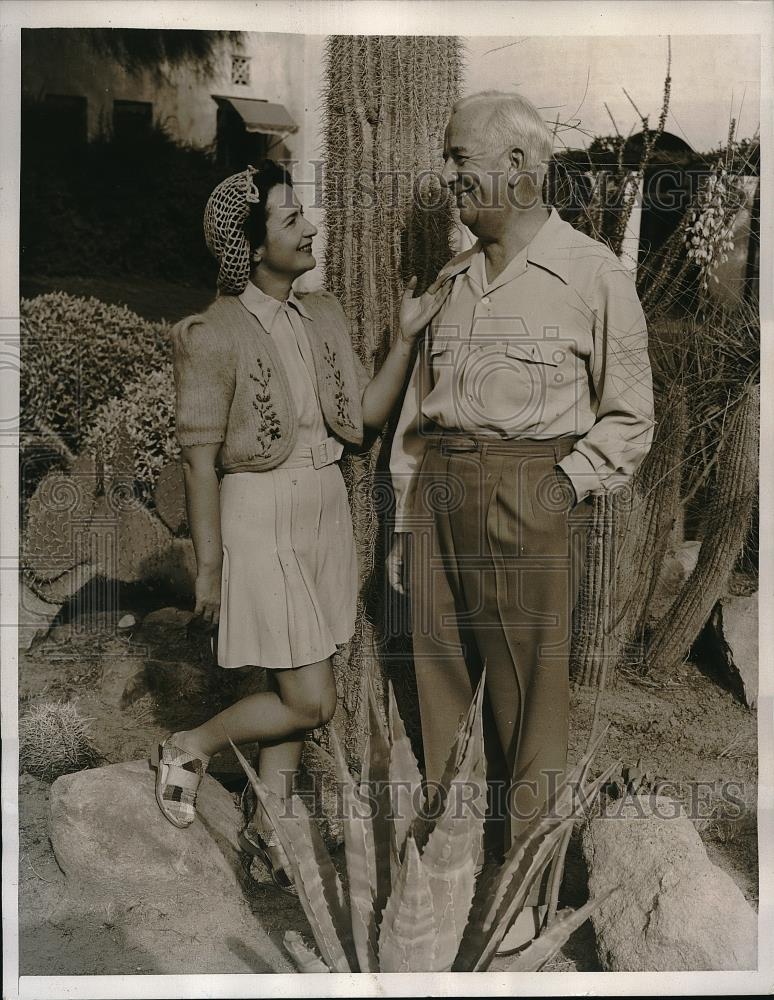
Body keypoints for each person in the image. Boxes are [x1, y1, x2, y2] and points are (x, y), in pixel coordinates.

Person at [388, 91, 654, 950]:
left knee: (528, 700)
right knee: (437, 681)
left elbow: (629, 414)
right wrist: (402, 518)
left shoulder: (593, 274)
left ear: (519, 168)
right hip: (438, 494)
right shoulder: (454, 281)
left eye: (461, 157)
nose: (450, 173)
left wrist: (560, 488)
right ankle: (449, 880)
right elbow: (416, 420)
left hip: (528, 489)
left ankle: (524, 900)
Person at [151, 160, 450, 893]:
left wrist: (406, 338)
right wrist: (211, 566)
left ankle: (267, 832)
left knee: (295, 685)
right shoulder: (212, 333)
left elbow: (366, 420)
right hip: (258, 510)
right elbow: (197, 464)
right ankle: (186, 745)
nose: (310, 226)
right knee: (312, 697)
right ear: (251, 247)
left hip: (323, 507)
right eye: (290, 219)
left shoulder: (326, 314)